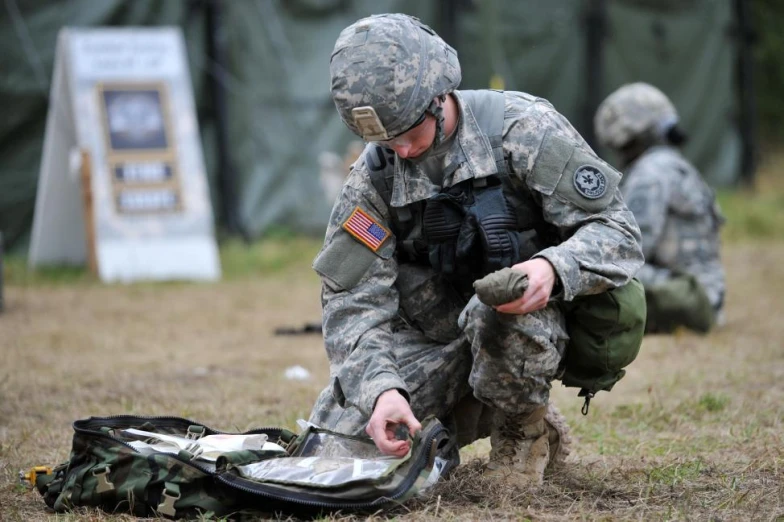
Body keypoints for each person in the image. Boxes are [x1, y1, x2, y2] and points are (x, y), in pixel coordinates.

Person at [308, 13, 643, 486]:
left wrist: (551, 267)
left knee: (497, 312)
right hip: (433, 336)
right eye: (384, 138)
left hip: (528, 321)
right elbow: (352, 300)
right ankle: (455, 417)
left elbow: (617, 230)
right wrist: (382, 391)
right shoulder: (373, 176)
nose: (400, 151)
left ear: (439, 97)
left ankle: (522, 427)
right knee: (334, 451)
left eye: (408, 132)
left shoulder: (523, 131)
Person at [594, 82, 726, 333]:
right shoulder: (675, 164)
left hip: (685, 296)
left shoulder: (650, 173)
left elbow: (627, 251)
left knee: (594, 267)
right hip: (704, 294)